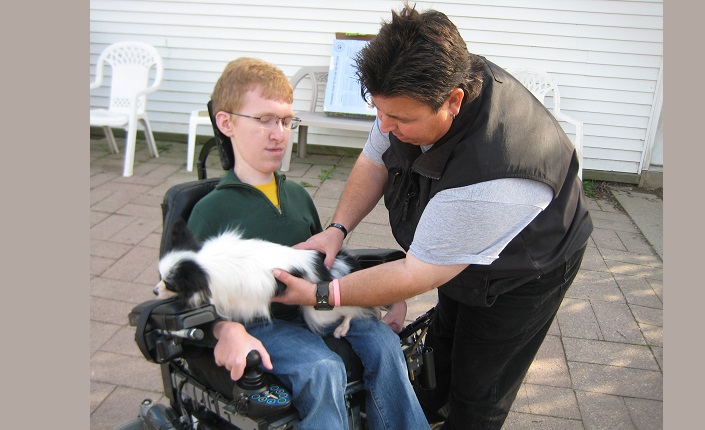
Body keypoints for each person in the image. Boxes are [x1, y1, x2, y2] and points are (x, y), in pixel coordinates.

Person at [271, 5, 594, 430]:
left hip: (526, 267)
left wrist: (322, 295)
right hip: (457, 247)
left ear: (454, 101)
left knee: (480, 388)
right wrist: (336, 229)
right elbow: (374, 161)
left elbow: (418, 272)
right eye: (378, 111)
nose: (384, 126)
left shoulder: (496, 173)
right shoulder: (407, 92)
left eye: (399, 119)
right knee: (442, 347)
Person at [188, 57, 428, 430]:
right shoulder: (211, 212)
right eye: (265, 119)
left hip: (315, 306)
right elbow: (190, 293)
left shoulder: (298, 196)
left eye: (286, 121)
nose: (279, 133)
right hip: (261, 322)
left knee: (383, 342)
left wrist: (385, 291)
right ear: (226, 122)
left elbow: (327, 265)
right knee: (323, 367)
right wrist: (225, 329)